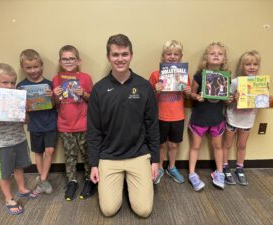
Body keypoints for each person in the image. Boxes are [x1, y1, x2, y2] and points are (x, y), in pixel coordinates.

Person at [87, 34, 159, 217]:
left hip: (139, 155)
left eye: (124, 54)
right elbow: (93, 130)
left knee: (143, 211)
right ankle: (122, 183)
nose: (120, 59)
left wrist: (155, 160)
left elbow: (152, 126)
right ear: (108, 57)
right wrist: (94, 164)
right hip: (109, 157)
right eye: (115, 55)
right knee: (109, 210)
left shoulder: (144, 87)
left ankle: (131, 183)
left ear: (131, 55)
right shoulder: (99, 90)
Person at [0, 63, 38, 215]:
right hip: (3, 144)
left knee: (19, 167)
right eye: (5, 82)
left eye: (13, 82)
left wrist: (24, 109)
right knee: (5, 173)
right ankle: (8, 198)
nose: (10, 86)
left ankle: (22, 189)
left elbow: (26, 121)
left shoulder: (17, 96)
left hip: (19, 139)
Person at [52, 45, 95, 201]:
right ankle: (72, 181)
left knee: (87, 154)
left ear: (78, 61)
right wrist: (55, 96)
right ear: (60, 61)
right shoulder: (56, 79)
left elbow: (93, 100)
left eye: (72, 58)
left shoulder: (85, 78)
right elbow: (54, 105)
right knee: (70, 155)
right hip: (64, 125)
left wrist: (83, 93)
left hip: (84, 124)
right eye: (65, 58)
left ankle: (90, 180)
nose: (68, 61)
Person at [222, 50, 271, 185]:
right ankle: (225, 167)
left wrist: (266, 100)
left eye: (255, 64)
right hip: (232, 119)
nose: (252, 67)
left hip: (247, 121)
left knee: (242, 145)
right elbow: (226, 100)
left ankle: (239, 168)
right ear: (242, 66)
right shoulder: (236, 82)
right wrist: (233, 98)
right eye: (248, 64)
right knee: (227, 144)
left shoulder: (261, 83)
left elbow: (261, 104)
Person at [188, 42, 230, 191]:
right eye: (213, 53)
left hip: (216, 119)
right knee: (195, 146)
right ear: (206, 57)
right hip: (200, 118)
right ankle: (192, 173)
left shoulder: (226, 77)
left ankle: (219, 172)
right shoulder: (200, 75)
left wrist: (229, 98)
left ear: (224, 58)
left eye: (220, 53)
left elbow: (226, 98)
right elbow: (192, 94)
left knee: (218, 146)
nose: (216, 55)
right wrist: (196, 96)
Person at [149, 40, 191, 184]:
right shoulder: (155, 75)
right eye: (169, 54)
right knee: (161, 145)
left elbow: (188, 96)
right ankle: (160, 167)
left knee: (174, 145)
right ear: (163, 56)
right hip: (160, 116)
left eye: (176, 54)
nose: (172, 56)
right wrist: (156, 90)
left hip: (178, 116)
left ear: (180, 56)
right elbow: (149, 98)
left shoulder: (184, 75)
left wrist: (188, 91)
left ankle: (171, 167)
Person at [17, 49, 58, 194]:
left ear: (41, 66)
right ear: (23, 68)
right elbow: (19, 109)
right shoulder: (20, 87)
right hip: (34, 125)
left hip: (50, 123)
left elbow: (55, 104)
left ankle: (42, 179)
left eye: (36, 66)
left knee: (50, 150)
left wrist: (52, 96)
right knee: (38, 152)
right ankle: (43, 180)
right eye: (29, 67)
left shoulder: (49, 84)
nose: (33, 70)